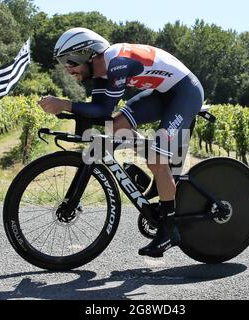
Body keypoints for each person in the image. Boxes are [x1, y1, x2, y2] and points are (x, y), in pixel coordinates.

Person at [38, 27, 204, 258]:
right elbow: (101, 115)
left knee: (157, 159)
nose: (68, 69)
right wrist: (69, 110)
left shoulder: (117, 63)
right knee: (114, 128)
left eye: (70, 62)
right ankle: (154, 176)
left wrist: (65, 104)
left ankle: (169, 228)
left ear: (87, 53)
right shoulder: (100, 72)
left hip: (185, 94)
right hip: (161, 94)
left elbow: (103, 108)